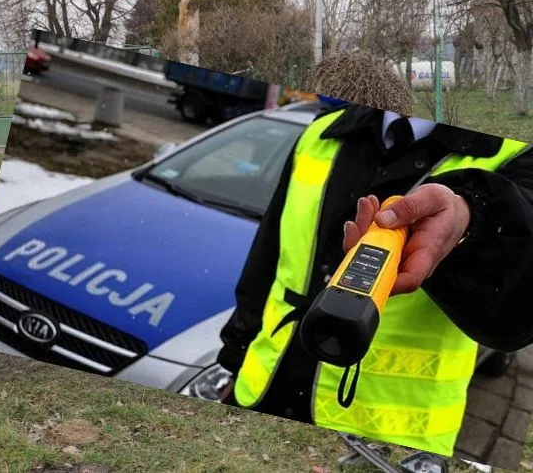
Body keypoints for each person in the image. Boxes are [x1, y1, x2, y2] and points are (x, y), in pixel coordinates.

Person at [216, 99, 533, 457]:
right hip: (265, 385)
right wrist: (235, 357)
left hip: (385, 439)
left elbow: (518, 314)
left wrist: (471, 217)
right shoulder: (322, 131)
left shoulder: (515, 153)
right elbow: (266, 257)